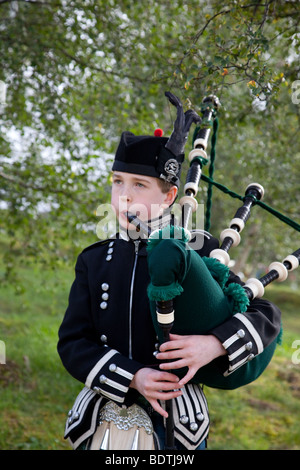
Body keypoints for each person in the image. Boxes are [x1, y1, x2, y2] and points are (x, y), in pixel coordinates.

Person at [57, 93, 281, 450]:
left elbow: (265, 315)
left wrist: (214, 344)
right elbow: (72, 343)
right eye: (117, 182)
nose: (123, 197)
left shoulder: (201, 249)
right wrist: (134, 377)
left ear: (169, 195)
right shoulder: (95, 260)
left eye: (139, 185)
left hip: (177, 428)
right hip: (100, 422)